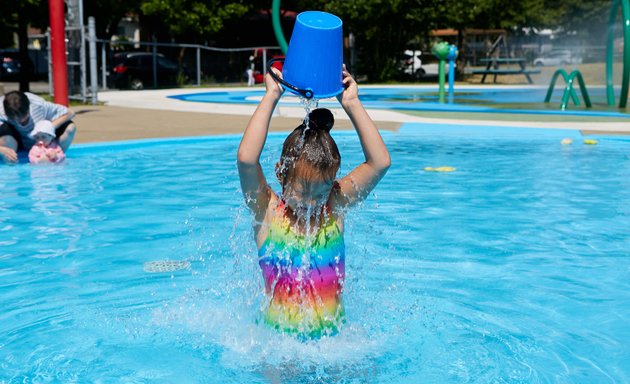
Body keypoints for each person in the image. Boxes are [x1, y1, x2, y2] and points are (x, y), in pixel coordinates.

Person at [237, 65, 391, 339]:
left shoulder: (334, 205)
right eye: (302, 191)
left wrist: (352, 104)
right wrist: (272, 95)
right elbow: (247, 160)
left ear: (332, 184)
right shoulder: (268, 211)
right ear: (280, 174)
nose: (311, 202)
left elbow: (379, 163)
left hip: (332, 348)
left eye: (320, 192)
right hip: (279, 353)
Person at [0, 91, 76, 164]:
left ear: (29, 108)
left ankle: (55, 157)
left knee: (70, 128)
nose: (21, 122)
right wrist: (2, 149)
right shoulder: (0, 111)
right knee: (7, 138)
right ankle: (10, 165)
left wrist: (47, 128)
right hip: (16, 140)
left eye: (25, 118)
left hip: (43, 139)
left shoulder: (38, 105)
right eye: (15, 119)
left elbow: (70, 113)